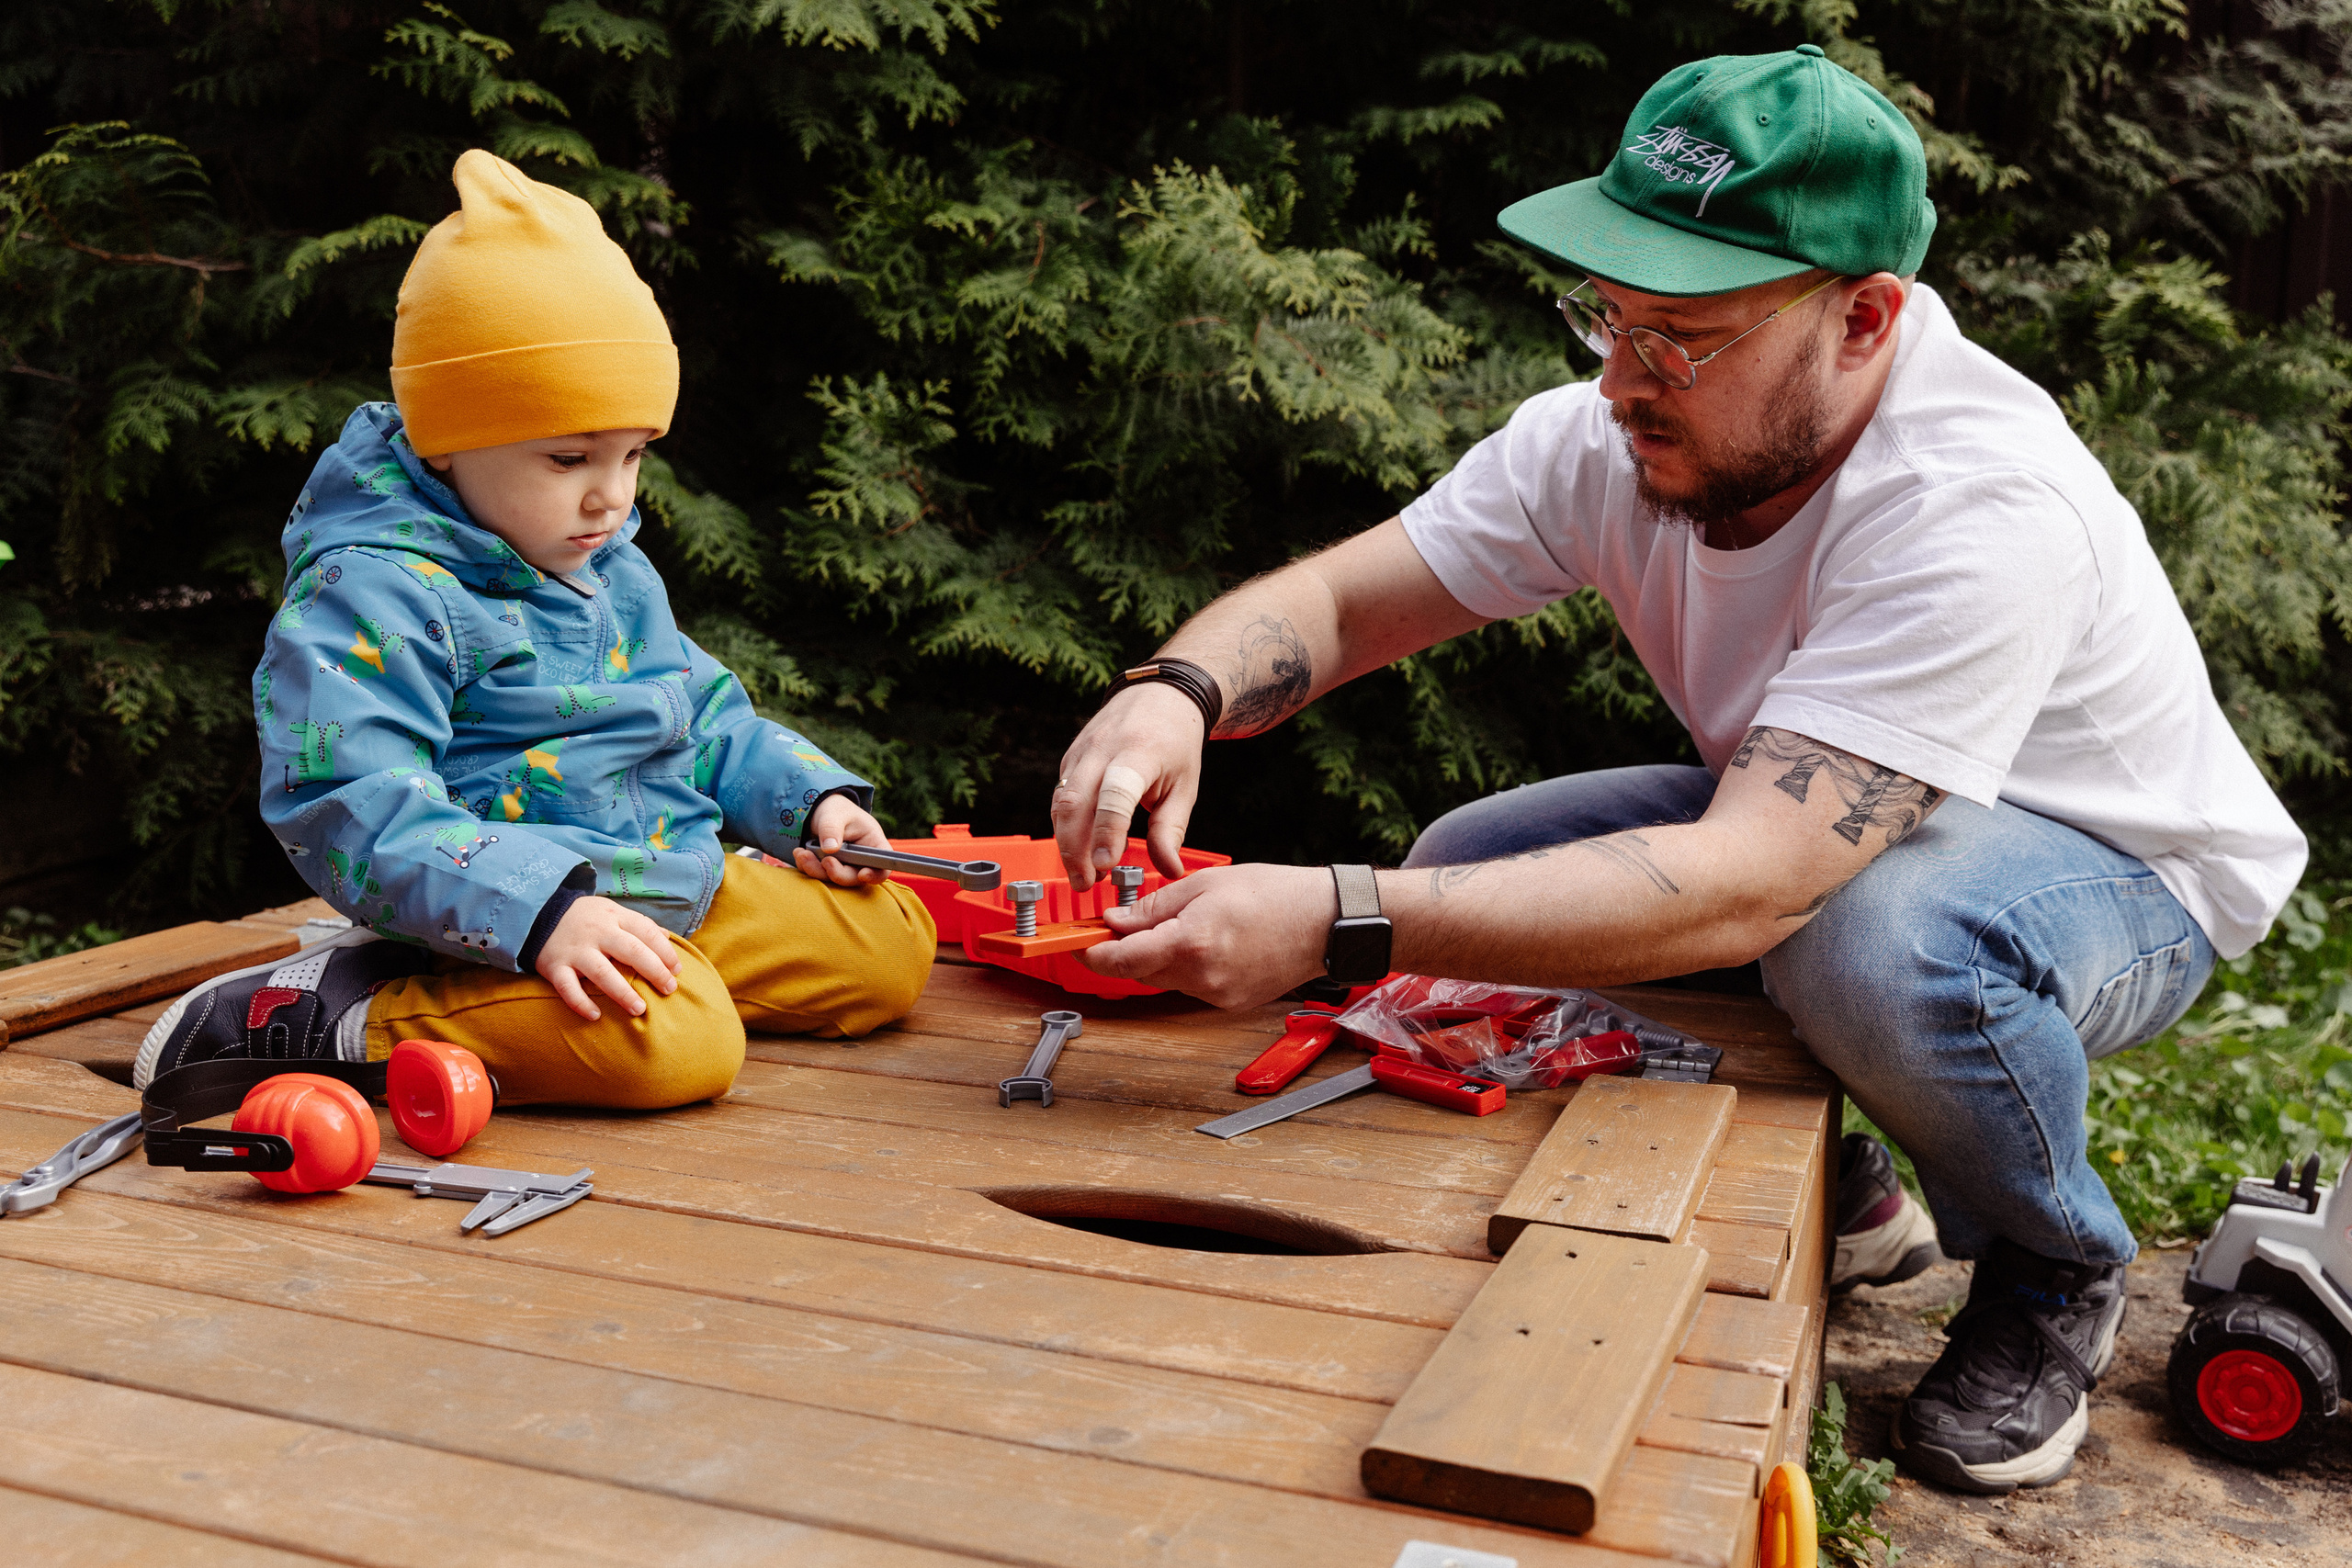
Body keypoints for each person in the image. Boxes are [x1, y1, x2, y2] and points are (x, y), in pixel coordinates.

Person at [1048, 46, 2305, 1495]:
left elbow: (1745, 889)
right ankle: (1863, 1201)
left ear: (1865, 318)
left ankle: (2052, 1266)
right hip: (1830, 814)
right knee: (1470, 856)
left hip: (2123, 874)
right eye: (1609, 314)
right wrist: (1178, 692)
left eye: (1682, 335)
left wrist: (1332, 913)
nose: (1621, 377)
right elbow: (1342, 602)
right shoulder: (1612, 425)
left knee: (1871, 938)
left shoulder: (1978, 507)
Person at [139, 150, 933, 1110]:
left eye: (634, 453)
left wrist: (807, 803)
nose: (611, 494)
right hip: (491, 917)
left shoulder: (602, 562)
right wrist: (541, 909)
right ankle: (324, 1018)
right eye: (568, 456)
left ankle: (660, 976)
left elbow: (699, 711)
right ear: (448, 437)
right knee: (678, 1048)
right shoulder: (372, 592)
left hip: (660, 877)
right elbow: (348, 799)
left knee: (889, 943)